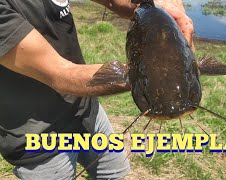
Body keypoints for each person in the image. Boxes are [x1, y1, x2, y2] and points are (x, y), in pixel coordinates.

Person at [0, 0, 194, 179]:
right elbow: (60, 74)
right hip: (39, 137)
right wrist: (145, 77)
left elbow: (115, 2)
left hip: (87, 110)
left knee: (116, 173)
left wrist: (150, 5)